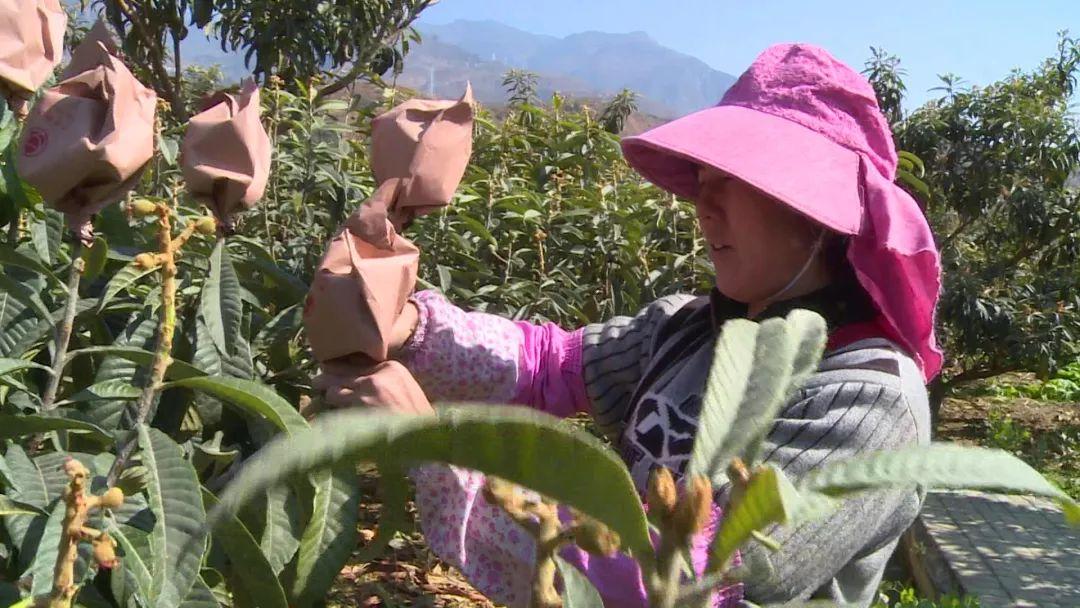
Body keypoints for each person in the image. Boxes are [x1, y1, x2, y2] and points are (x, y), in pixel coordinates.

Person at [315, 43, 942, 608]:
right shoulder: (690, 328)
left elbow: (685, 581)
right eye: (702, 182)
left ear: (815, 211)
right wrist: (412, 328)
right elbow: (548, 366)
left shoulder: (868, 401)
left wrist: (434, 448)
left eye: (732, 183)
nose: (704, 205)